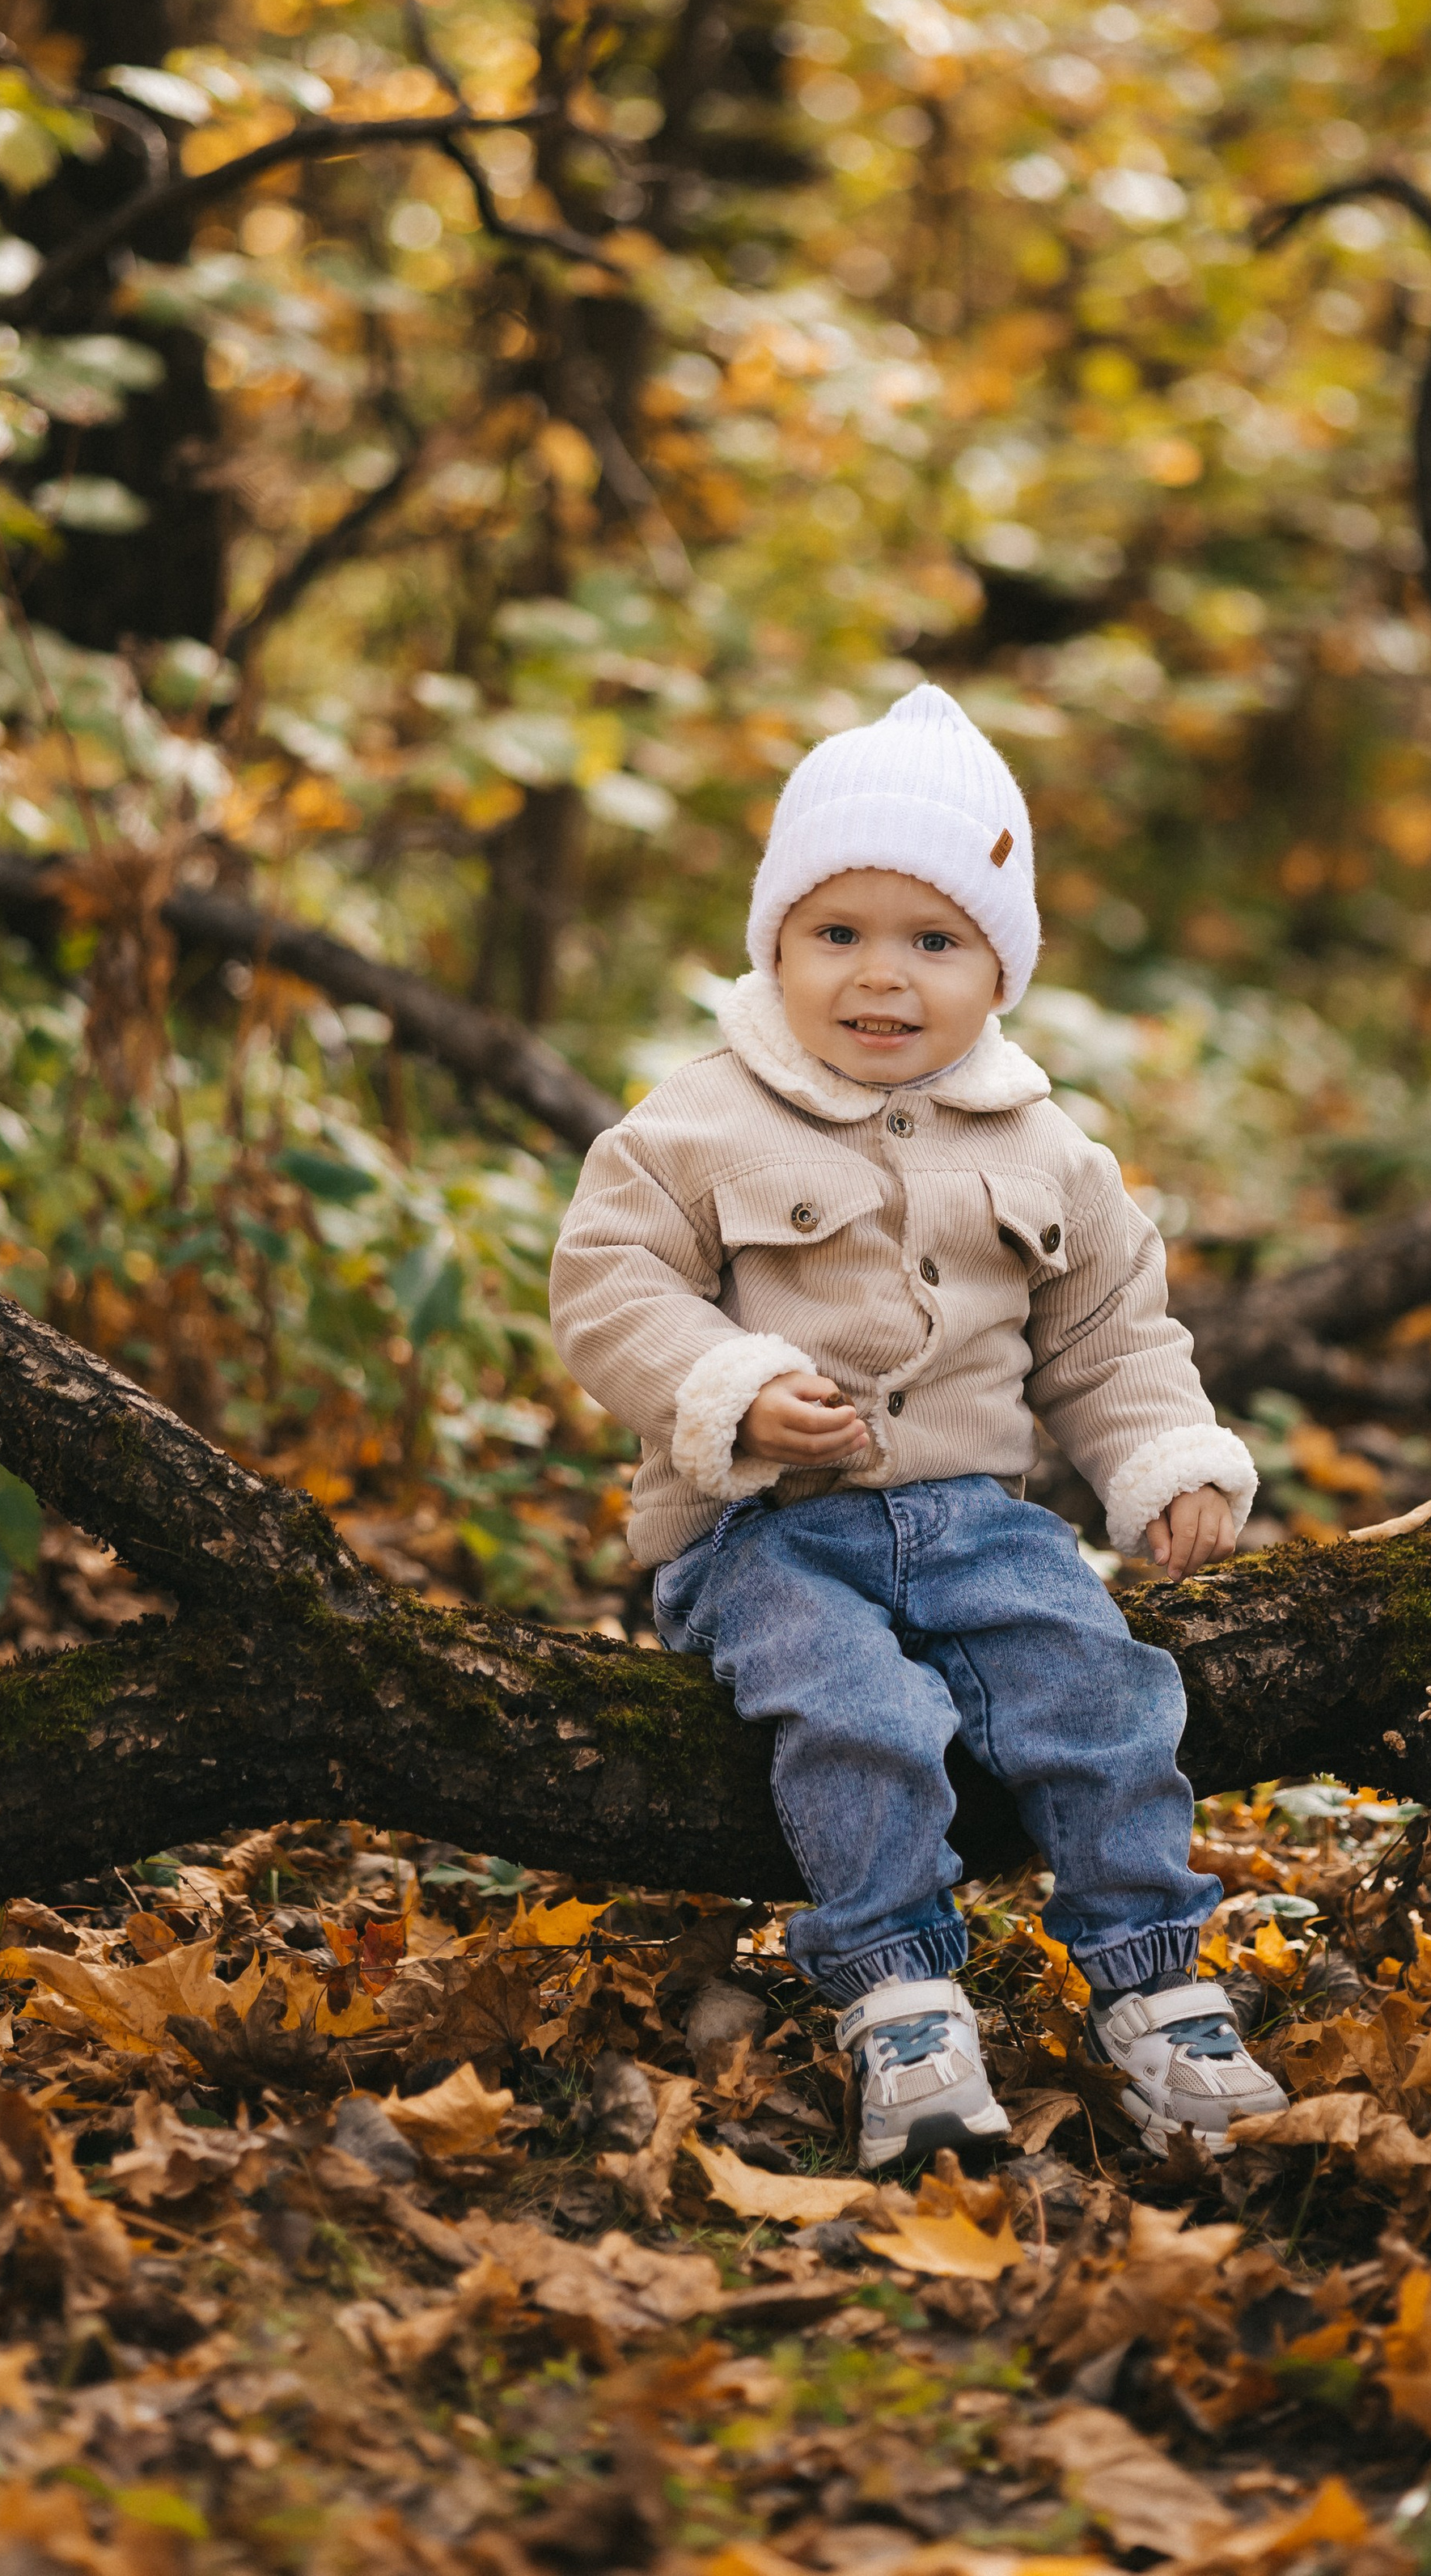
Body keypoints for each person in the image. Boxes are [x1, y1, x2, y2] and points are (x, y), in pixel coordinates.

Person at [549, 683, 1289, 2169]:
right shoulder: (696, 1121)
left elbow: (1110, 1334)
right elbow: (608, 1288)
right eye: (840, 934)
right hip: (772, 1540)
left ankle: (1157, 1985)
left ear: (997, 970)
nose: (881, 979)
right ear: (777, 942)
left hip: (975, 1523)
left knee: (1101, 1688)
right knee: (864, 1716)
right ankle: (896, 1989)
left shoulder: (1049, 1149)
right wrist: (735, 1389)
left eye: (932, 942)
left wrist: (1163, 1466)